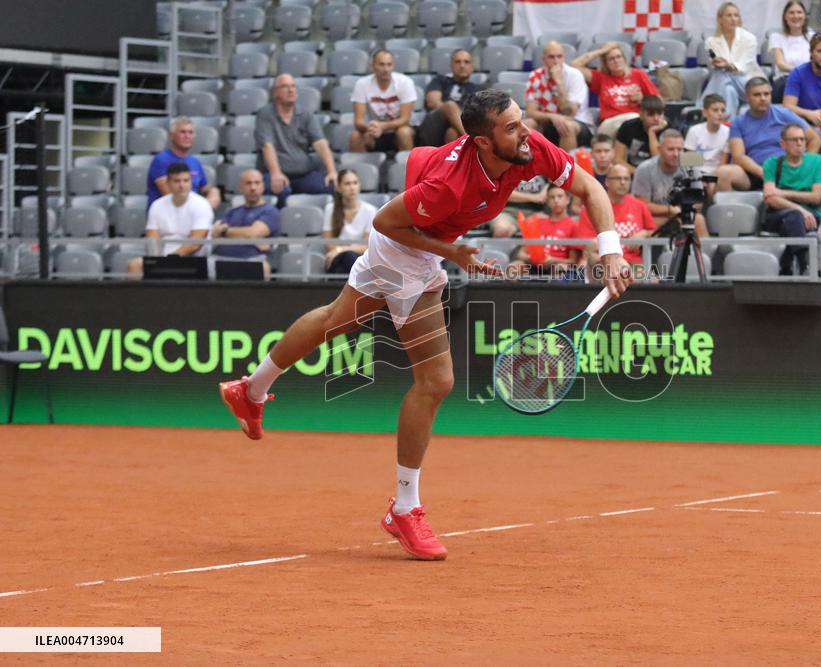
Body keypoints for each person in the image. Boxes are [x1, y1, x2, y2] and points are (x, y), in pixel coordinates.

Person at [218, 89, 631, 561]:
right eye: (512, 126)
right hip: (404, 250)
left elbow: (591, 189)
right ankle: (405, 508)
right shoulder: (449, 185)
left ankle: (250, 389)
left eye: (522, 121)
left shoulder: (527, 147)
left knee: (337, 320)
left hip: (422, 233)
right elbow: (385, 223)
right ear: (480, 141)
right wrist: (451, 253)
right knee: (435, 381)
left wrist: (612, 251)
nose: (525, 132)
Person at [716, 77, 821, 192]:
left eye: (766, 94)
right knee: (722, 173)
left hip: (786, 169)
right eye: (757, 95)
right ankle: (732, 209)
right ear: (747, 97)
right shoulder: (738, 123)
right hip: (754, 172)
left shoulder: (784, 114)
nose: (763, 98)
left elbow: (814, 139)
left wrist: (804, 165)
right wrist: (764, 172)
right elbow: (738, 156)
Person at [255, 73, 339, 207]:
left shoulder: (305, 114)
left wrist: (332, 171)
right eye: (285, 86)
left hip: (304, 175)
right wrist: (276, 173)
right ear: (276, 92)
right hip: (276, 173)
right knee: (279, 189)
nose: (291, 90)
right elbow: (267, 146)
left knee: (331, 186)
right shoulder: (265, 114)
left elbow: (321, 144)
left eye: (293, 86)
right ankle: (284, 226)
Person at [762, 123, 821, 275]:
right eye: (794, 140)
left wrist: (782, 193)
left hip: (810, 217)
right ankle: (803, 263)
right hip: (778, 215)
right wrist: (800, 209)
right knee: (794, 216)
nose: (799, 143)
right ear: (783, 144)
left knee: (791, 223)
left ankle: (786, 267)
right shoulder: (772, 164)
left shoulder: (816, 161)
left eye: (802, 139)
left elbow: (816, 197)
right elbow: (770, 199)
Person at [128, 162, 212, 276]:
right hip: (163, 257)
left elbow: (195, 243)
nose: (182, 185)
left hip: (191, 259)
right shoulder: (157, 205)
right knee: (134, 265)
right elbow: (152, 240)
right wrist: (156, 261)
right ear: (168, 183)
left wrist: (170, 259)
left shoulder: (202, 204)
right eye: (177, 181)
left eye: (186, 180)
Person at [576, 163, 658, 273]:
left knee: (653, 281)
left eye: (626, 179)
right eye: (618, 178)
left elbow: (654, 232)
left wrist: (644, 233)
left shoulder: (640, 206)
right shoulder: (592, 206)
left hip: (633, 263)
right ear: (607, 182)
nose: (623, 182)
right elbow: (587, 244)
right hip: (602, 262)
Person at [570, 42, 658, 139]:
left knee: (633, 123)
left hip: (634, 121)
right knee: (630, 124)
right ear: (605, 63)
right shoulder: (600, 78)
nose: (616, 61)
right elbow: (574, 66)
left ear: (624, 59)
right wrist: (601, 51)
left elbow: (657, 102)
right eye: (611, 59)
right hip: (610, 123)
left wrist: (643, 99)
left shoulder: (638, 74)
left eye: (618, 57)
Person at [632, 129, 708, 237]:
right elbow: (642, 205)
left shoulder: (692, 163)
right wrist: (670, 210)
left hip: (684, 214)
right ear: (659, 150)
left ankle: (704, 253)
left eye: (680, 149)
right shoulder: (644, 169)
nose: (676, 154)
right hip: (655, 217)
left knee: (698, 219)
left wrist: (682, 212)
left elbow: (698, 202)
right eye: (671, 149)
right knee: (645, 223)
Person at [211, 168, 280, 279]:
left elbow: (252, 233)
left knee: (262, 267)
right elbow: (215, 233)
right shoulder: (232, 212)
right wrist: (249, 237)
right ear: (240, 188)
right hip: (219, 257)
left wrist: (226, 232)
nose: (253, 188)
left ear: (263, 186)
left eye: (257, 183)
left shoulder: (270, 211)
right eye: (248, 183)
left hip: (251, 258)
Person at [525, 41, 593, 150]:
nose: (556, 61)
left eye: (559, 57)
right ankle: (531, 165)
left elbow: (570, 112)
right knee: (527, 124)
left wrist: (560, 83)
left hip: (577, 122)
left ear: (564, 58)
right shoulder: (535, 76)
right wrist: (552, 116)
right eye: (551, 57)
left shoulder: (574, 75)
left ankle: (567, 166)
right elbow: (531, 112)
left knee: (566, 126)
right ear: (544, 59)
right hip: (548, 121)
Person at [702, 2, 766, 118]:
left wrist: (728, 66)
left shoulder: (749, 38)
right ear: (720, 19)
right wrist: (717, 64)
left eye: (736, 15)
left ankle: (704, 106)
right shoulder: (711, 41)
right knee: (728, 89)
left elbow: (745, 65)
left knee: (724, 75)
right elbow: (714, 63)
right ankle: (729, 122)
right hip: (724, 82)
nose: (733, 19)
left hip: (748, 83)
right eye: (729, 15)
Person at [509, 184, 584, 278]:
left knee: (560, 268)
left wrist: (553, 260)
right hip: (533, 264)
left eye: (560, 196)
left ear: (568, 200)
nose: (556, 200)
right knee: (513, 267)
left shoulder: (574, 225)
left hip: (556, 265)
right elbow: (521, 253)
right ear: (548, 202)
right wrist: (531, 259)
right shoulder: (537, 222)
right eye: (552, 197)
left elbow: (574, 261)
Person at [146, 116, 221, 210]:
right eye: (183, 132)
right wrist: (200, 207)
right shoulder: (161, 160)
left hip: (191, 213)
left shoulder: (194, 161)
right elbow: (170, 195)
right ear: (171, 136)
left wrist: (213, 191)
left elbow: (203, 187)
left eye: (191, 132)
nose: (187, 136)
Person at [350, 49, 418, 152]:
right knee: (356, 135)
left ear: (393, 66)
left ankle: (408, 166)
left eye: (389, 65)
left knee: (404, 132)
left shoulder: (405, 82)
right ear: (372, 66)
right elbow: (358, 121)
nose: (386, 69)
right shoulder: (362, 84)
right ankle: (361, 167)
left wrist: (383, 126)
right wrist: (370, 128)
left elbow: (405, 119)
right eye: (381, 65)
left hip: (398, 129)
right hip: (374, 130)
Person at [417, 49, 484, 147]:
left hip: (458, 129)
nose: (462, 65)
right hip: (434, 128)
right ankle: (472, 140)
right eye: (458, 62)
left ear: (472, 67)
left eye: (466, 62)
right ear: (451, 66)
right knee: (450, 105)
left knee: (452, 132)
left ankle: (453, 161)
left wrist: (455, 121)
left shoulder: (479, 89)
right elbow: (433, 103)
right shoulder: (440, 81)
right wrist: (453, 112)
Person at [322, 169, 377, 275]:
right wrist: (341, 251)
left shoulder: (370, 210)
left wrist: (341, 249)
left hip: (359, 258)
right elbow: (328, 243)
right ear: (338, 187)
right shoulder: (330, 209)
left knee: (347, 261)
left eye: (355, 183)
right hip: (336, 258)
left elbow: (366, 246)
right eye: (347, 184)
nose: (352, 188)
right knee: (348, 258)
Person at [683, 93, 730, 198]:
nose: (720, 114)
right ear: (705, 113)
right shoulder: (694, 131)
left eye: (722, 110)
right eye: (715, 110)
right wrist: (699, 178)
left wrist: (711, 179)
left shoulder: (728, 132)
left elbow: (723, 163)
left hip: (716, 173)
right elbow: (689, 163)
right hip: (697, 172)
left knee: (714, 188)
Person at [768, 1, 815, 101]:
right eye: (792, 13)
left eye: (799, 12)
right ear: (785, 16)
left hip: (810, 78)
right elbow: (781, 64)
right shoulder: (776, 37)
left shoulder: (812, 37)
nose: (796, 16)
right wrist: (801, 73)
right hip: (785, 79)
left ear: (805, 16)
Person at [614, 95, 669, 174]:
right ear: (641, 115)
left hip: (659, 174)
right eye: (651, 114)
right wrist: (639, 173)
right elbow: (617, 159)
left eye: (659, 114)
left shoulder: (668, 129)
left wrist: (652, 132)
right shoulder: (628, 127)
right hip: (633, 173)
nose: (656, 118)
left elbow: (658, 161)